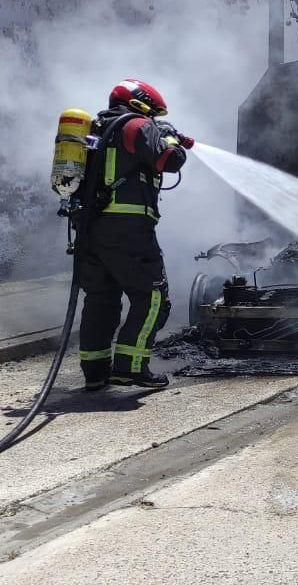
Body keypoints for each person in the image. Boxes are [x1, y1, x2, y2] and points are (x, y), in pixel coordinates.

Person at [76, 79, 193, 390]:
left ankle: (95, 371)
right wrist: (170, 139)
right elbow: (169, 160)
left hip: (90, 231)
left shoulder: (98, 131)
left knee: (102, 299)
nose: (154, 120)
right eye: (153, 114)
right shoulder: (137, 125)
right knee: (154, 297)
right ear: (142, 105)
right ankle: (130, 367)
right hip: (128, 231)